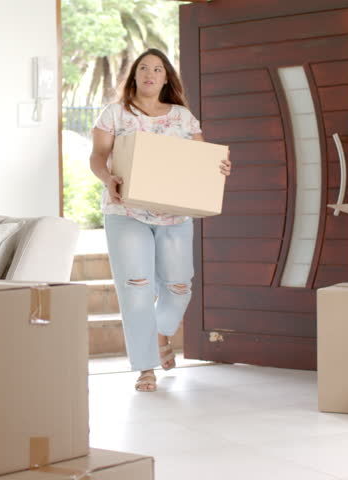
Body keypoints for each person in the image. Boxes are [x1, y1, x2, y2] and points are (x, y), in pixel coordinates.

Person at [89, 48, 232, 392]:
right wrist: (108, 179)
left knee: (179, 287)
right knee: (135, 288)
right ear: (135, 76)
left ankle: (158, 334)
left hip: (175, 213)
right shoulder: (115, 114)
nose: (150, 74)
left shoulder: (182, 118)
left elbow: (201, 160)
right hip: (125, 211)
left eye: (157, 69)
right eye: (143, 68)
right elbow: (97, 156)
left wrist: (219, 168)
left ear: (166, 77)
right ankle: (145, 367)